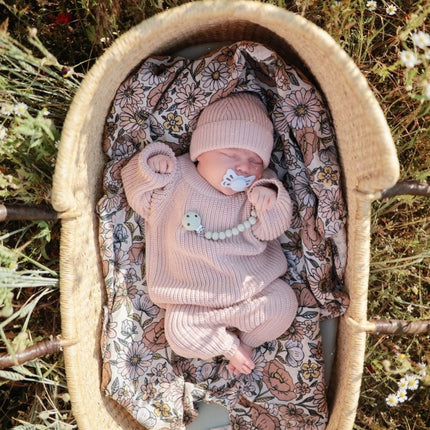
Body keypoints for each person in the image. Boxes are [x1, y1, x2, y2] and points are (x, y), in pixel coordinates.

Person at [121, 92, 298, 375]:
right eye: (230, 155)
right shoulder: (174, 176)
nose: (243, 167)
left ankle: (248, 343)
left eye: (254, 161)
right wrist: (151, 168)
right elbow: (137, 195)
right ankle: (229, 346)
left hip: (251, 292)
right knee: (178, 333)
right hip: (193, 301)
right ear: (200, 154)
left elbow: (272, 230)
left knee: (284, 301)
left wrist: (271, 200)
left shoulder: (259, 190)